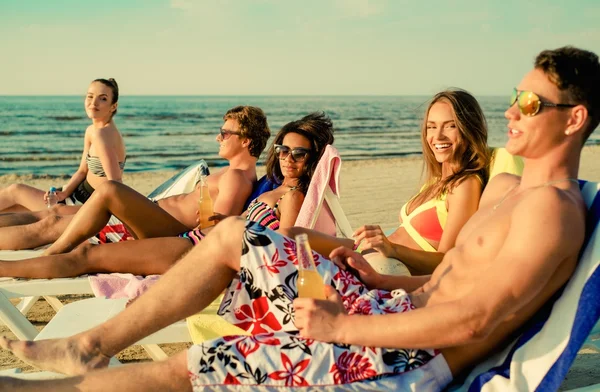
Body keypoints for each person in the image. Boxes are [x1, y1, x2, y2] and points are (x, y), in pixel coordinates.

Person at [1, 46, 598, 391]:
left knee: (204, 365)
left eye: (529, 103)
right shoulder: (513, 190)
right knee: (237, 235)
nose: (511, 111)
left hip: (403, 355)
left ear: (574, 119)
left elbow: (472, 321)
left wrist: (340, 328)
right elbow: (459, 279)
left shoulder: (553, 210)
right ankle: (90, 344)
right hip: (381, 309)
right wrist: (384, 281)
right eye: (514, 97)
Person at [0, 112, 335, 278]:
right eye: (284, 150)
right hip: (189, 240)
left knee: (101, 202)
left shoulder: (275, 191)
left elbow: (287, 242)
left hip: (192, 246)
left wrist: (351, 247)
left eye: (299, 153)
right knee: (61, 226)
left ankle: (44, 256)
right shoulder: (272, 187)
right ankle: (37, 257)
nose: (289, 158)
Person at [0, 105, 270, 251]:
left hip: (154, 231)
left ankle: (52, 254)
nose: (218, 138)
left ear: (245, 141)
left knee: (51, 226)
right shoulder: (233, 174)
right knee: (56, 212)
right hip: (149, 217)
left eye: (225, 133)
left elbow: (214, 232)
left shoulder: (235, 177)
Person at [287, 89, 490, 275]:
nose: (437, 136)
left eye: (450, 126)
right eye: (431, 126)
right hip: (365, 252)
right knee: (291, 235)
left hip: (383, 268)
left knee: (287, 247)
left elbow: (448, 261)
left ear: (468, 129)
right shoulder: (437, 182)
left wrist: (392, 249)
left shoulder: (465, 185)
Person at [0, 78, 126, 216]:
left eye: (102, 99)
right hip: (75, 194)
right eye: (90, 96)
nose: (93, 103)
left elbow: (115, 184)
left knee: (15, 191)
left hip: (85, 204)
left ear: (113, 106)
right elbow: (82, 171)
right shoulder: (92, 130)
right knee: (14, 208)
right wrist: (63, 193)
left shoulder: (103, 135)